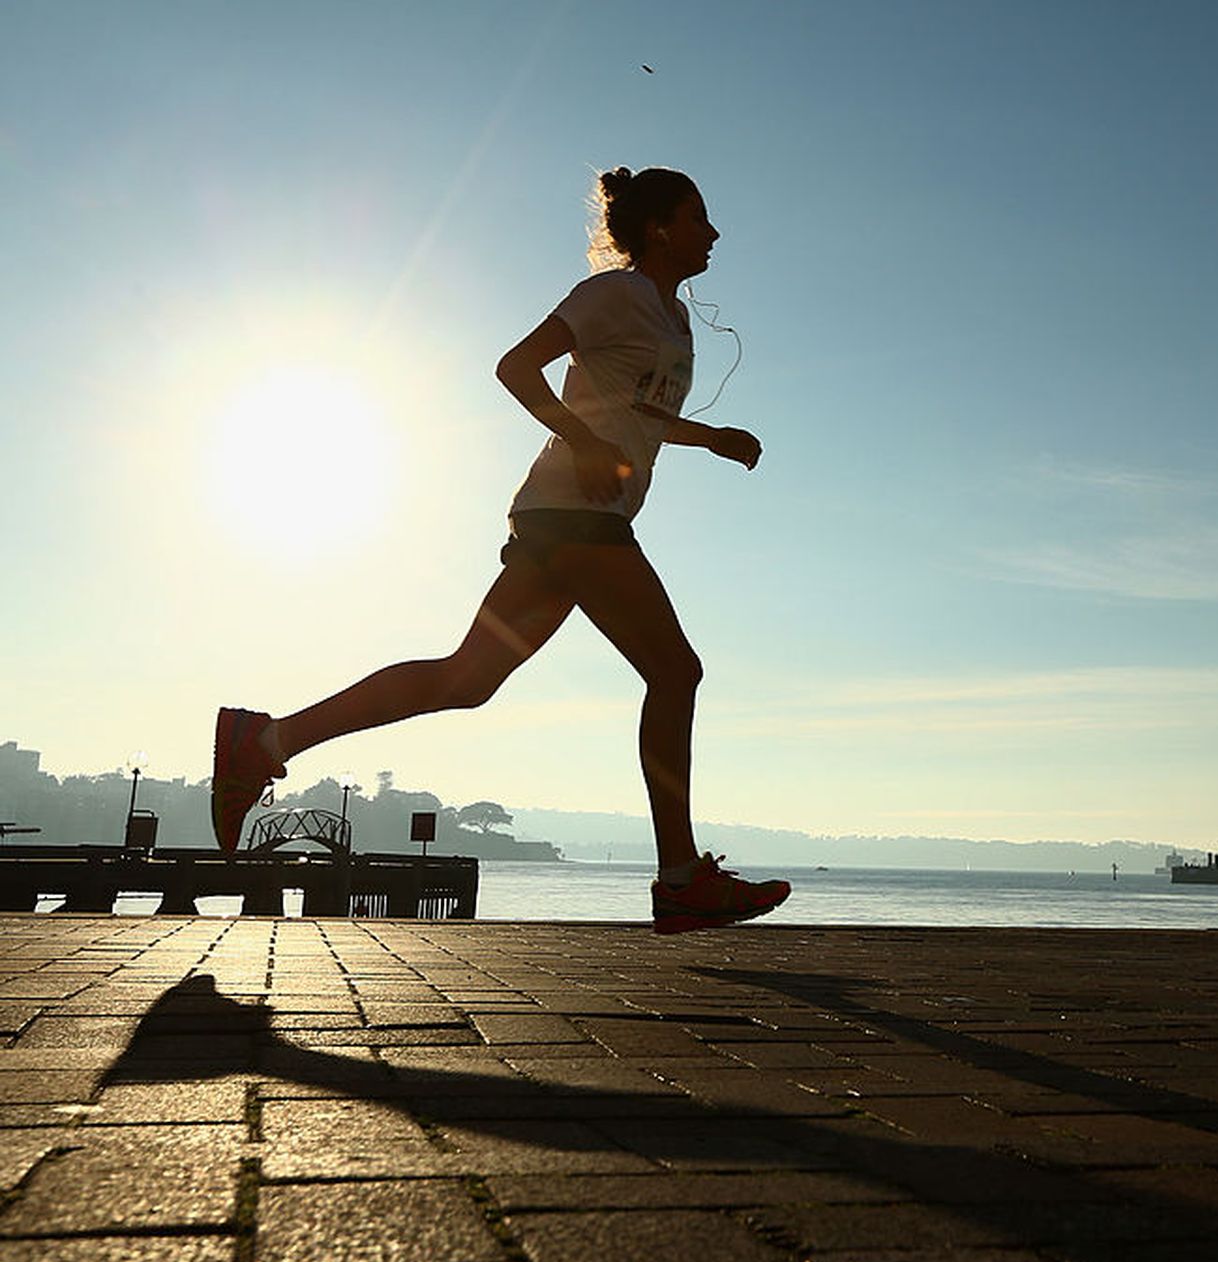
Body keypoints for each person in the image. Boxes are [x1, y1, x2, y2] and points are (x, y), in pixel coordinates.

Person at [210, 166, 789, 934]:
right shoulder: (611, 294)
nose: (712, 234)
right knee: (675, 670)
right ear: (658, 228)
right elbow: (515, 366)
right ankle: (680, 878)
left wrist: (707, 436)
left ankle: (268, 738)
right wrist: (580, 439)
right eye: (697, 219)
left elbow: (640, 410)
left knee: (467, 677)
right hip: (576, 515)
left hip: (570, 518)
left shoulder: (672, 320)